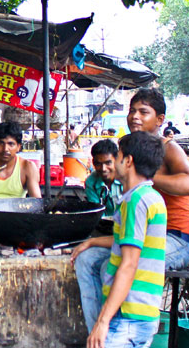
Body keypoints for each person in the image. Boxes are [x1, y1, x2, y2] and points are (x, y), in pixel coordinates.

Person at [70, 131, 167, 348]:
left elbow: (129, 264)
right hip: (142, 314)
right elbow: (128, 244)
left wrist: (103, 321)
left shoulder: (135, 201)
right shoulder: (152, 198)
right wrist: (92, 242)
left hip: (128, 314)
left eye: (119, 156)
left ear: (128, 161)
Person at [127, 87, 189, 271]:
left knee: (130, 264)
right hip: (144, 234)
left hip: (176, 238)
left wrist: (148, 176)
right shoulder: (131, 148)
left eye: (143, 112)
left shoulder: (169, 148)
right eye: (132, 111)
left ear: (160, 120)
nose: (135, 116)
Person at [74, 138, 125, 330]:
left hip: (123, 233)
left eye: (108, 163)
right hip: (103, 229)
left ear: (117, 160)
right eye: (98, 163)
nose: (103, 168)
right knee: (84, 258)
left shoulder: (125, 179)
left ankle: (111, 326)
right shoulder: (92, 181)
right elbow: (97, 209)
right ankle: (94, 328)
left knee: (109, 269)